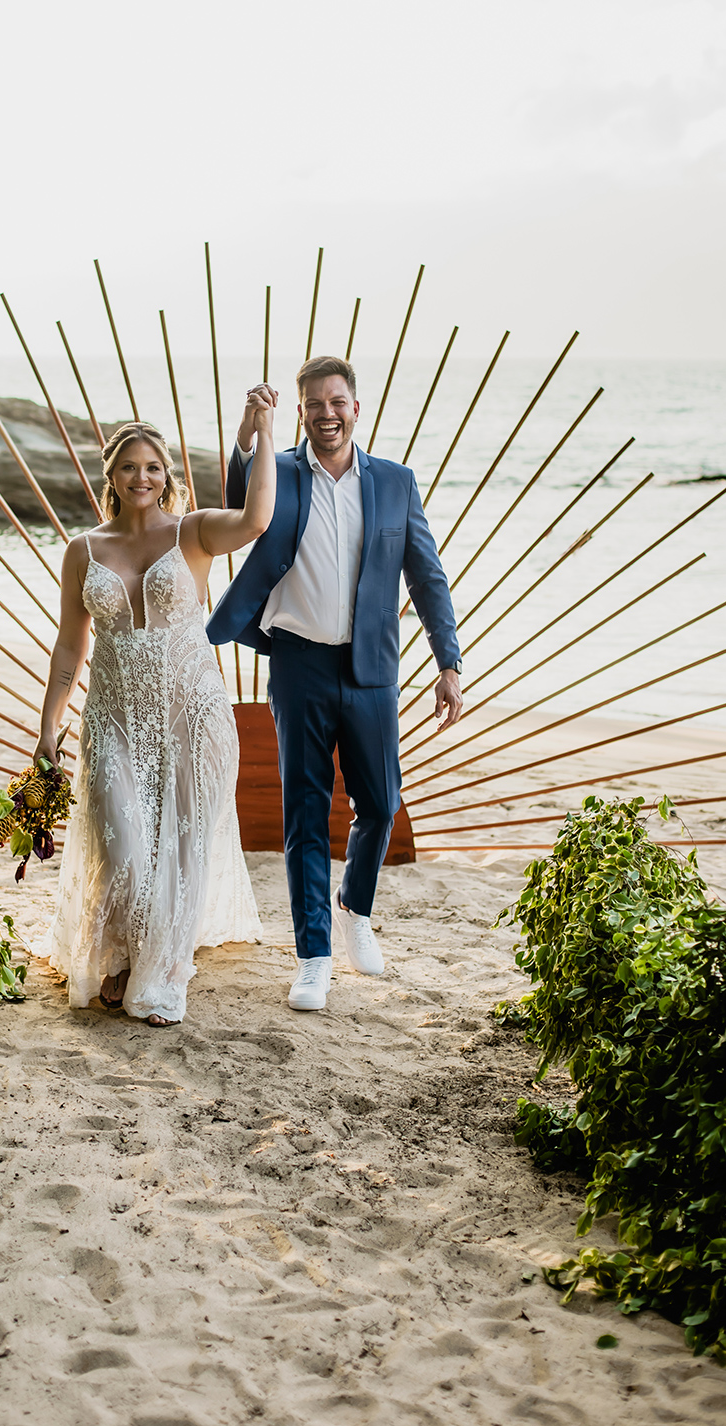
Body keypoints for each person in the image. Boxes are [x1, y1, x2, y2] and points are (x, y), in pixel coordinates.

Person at [207, 355, 462, 1013]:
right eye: (315, 404)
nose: (327, 413)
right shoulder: (281, 473)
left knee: (380, 805)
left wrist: (448, 663)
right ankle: (314, 957)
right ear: (300, 412)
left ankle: (355, 906)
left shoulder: (397, 482)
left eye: (337, 401)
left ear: (355, 407)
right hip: (298, 665)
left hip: (372, 668)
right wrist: (249, 429)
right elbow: (236, 501)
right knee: (305, 813)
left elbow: (427, 576)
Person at [31, 392, 277, 1026]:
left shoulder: (193, 532)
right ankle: (125, 951)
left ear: (166, 475)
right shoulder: (83, 550)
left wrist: (262, 429)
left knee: (183, 853)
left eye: (152, 467)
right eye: (129, 467)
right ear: (111, 477)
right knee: (123, 849)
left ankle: (159, 972)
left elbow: (257, 520)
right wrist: (49, 724)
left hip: (192, 716)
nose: (141, 477)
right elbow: (70, 644)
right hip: (112, 718)